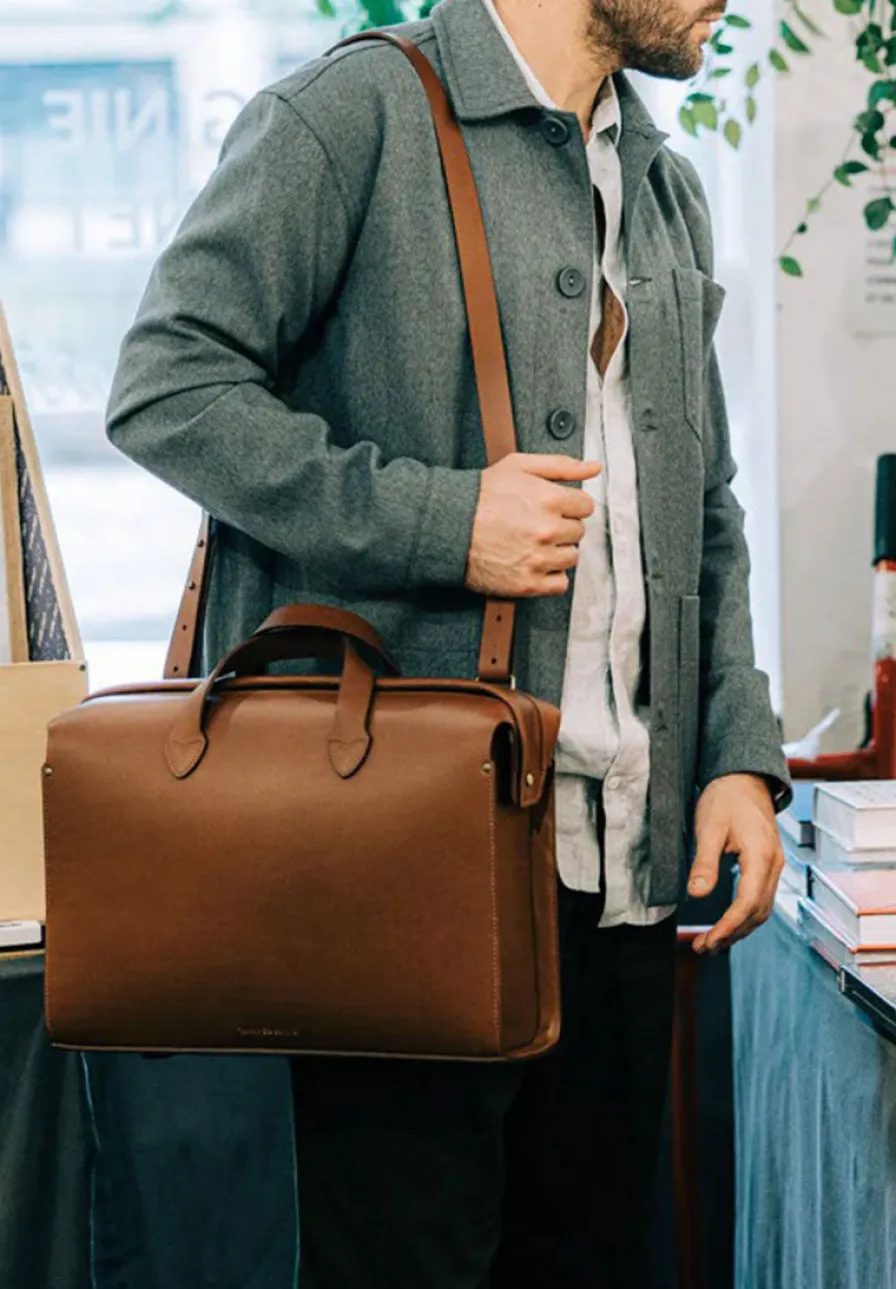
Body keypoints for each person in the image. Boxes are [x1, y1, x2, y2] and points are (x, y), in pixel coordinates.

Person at [106, 0, 791, 1282]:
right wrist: (443, 517)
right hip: (405, 864)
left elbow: (701, 507)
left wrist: (738, 751)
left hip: (628, 871)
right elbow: (165, 386)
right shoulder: (349, 116)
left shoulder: (662, 185)